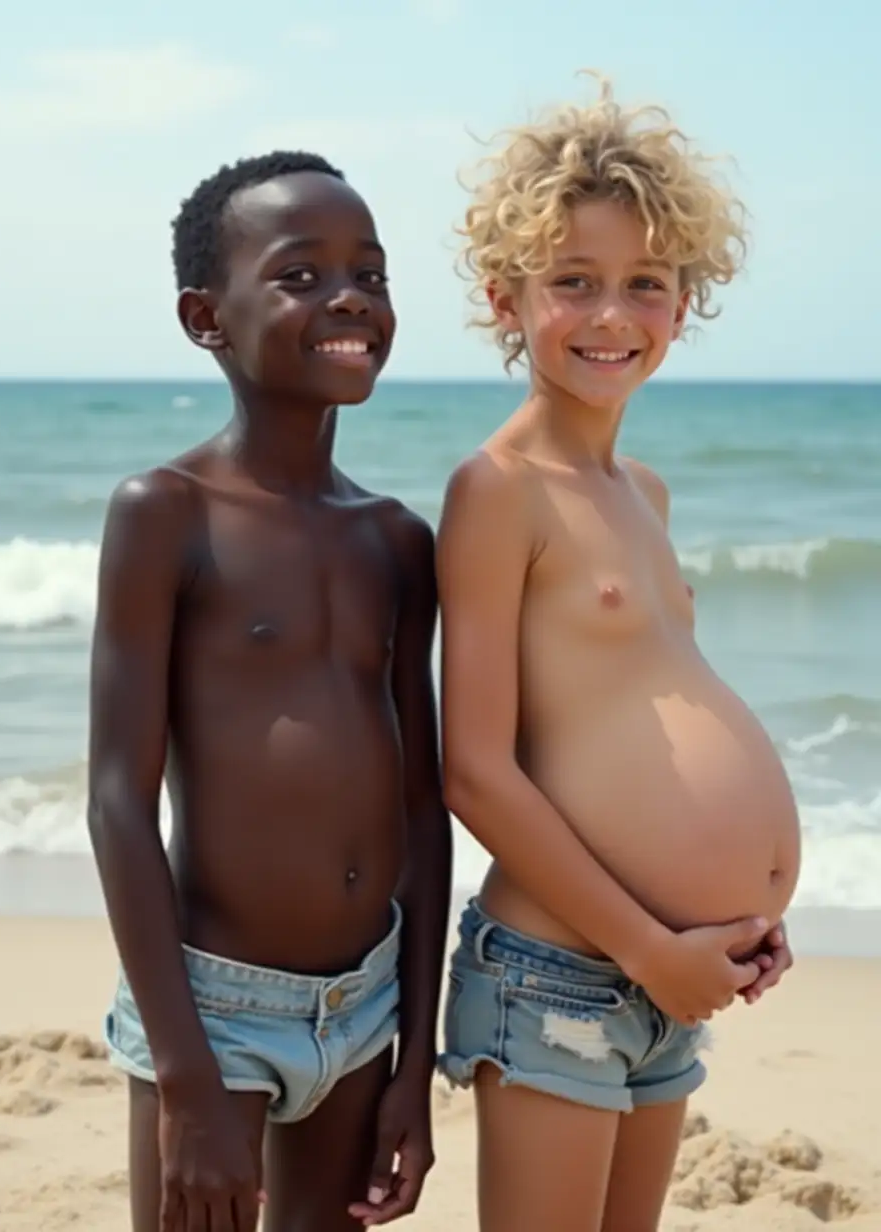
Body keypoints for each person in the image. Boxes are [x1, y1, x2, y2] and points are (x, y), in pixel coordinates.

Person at [435, 80, 798, 1231]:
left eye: (645, 283)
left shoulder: (640, 490)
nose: (612, 313)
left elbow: (642, 707)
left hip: (668, 980)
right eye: (572, 283)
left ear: (685, 300)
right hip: (559, 975)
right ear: (506, 300)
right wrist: (649, 941)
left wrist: (736, 915)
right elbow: (475, 769)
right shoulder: (496, 491)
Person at [87, 151, 452, 1232]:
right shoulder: (167, 511)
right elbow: (117, 799)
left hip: (364, 1003)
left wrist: (410, 1062)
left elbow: (423, 811)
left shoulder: (397, 538)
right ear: (207, 315)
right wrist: (187, 1075)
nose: (350, 298)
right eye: (300, 274)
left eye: (371, 274)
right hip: (211, 1005)